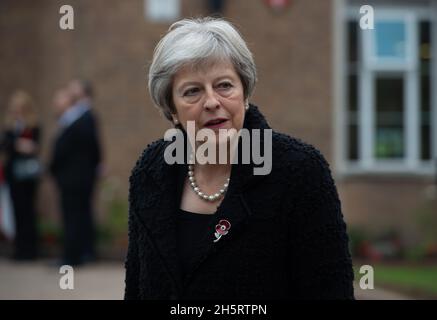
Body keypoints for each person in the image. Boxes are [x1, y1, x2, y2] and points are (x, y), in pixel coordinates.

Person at [124, 17, 354, 299]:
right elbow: (136, 287)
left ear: (245, 93)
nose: (211, 102)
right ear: (172, 109)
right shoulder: (151, 173)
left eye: (224, 85)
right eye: (192, 91)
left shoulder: (299, 171)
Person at [50, 82, 102, 266]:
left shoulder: (80, 117)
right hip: (76, 176)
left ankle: (73, 256)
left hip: (75, 177)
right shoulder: (76, 118)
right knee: (79, 215)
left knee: (74, 216)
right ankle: (82, 252)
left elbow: (90, 148)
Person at [0, 90, 41, 261]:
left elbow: (35, 146)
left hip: (28, 175)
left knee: (28, 212)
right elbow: (5, 145)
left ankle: (30, 250)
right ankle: (19, 250)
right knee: (16, 210)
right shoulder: (11, 127)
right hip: (13, 174)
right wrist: (19, 144)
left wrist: (23, 145)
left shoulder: (33, 125)